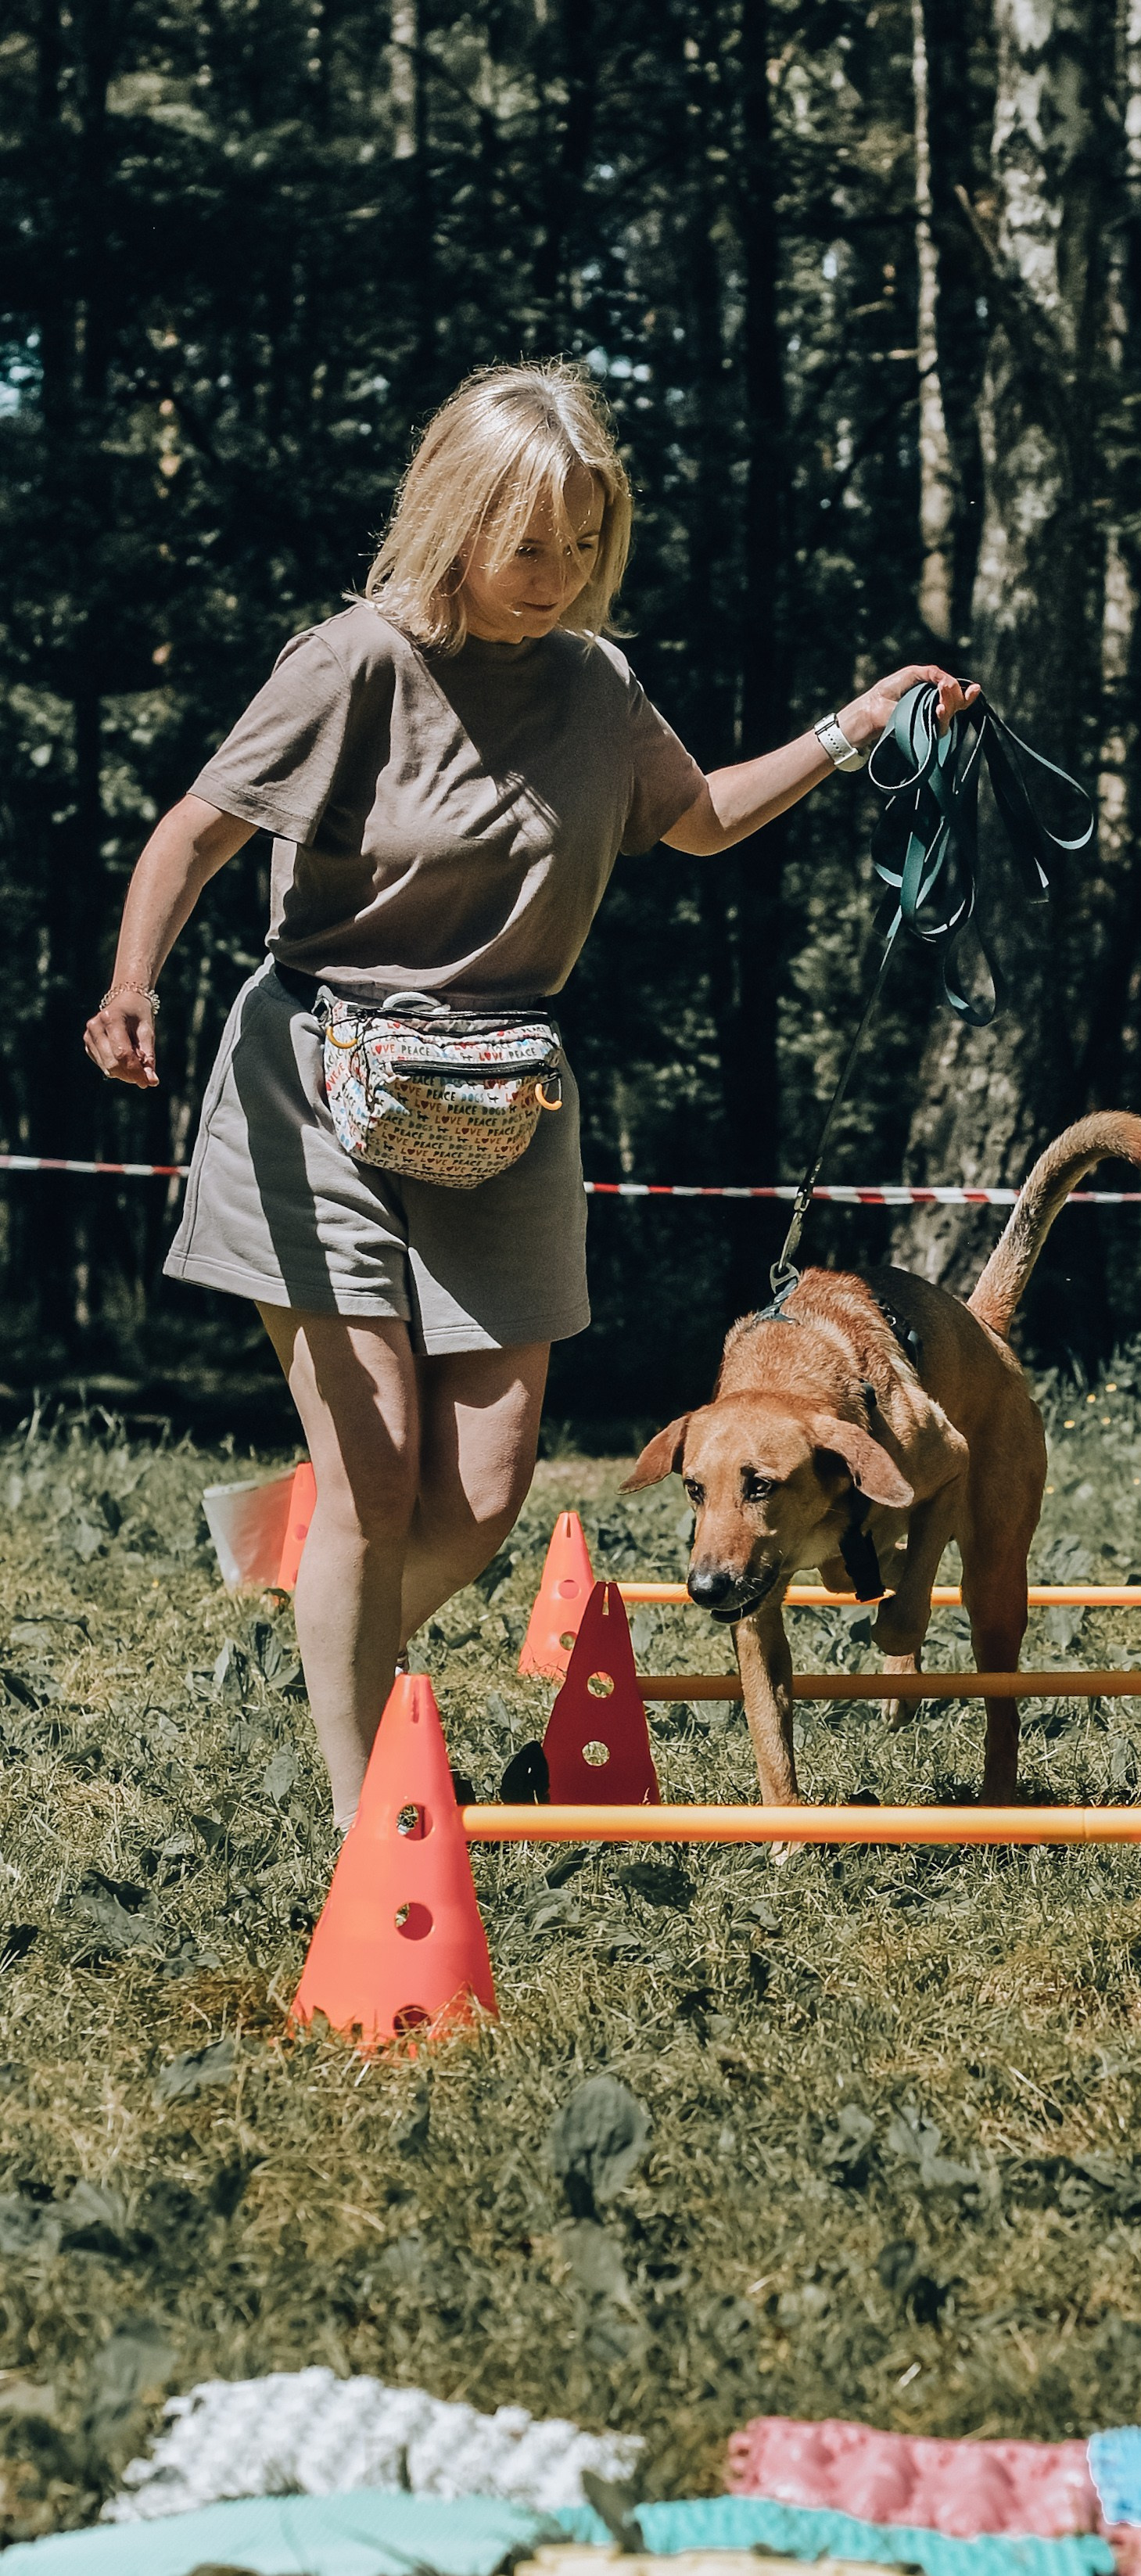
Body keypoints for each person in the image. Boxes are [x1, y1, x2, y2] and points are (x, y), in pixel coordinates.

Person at [84, 358, 977, 1830]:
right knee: (374, 1482)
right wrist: (131, 984)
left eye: (583, 545)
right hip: (318, 1089)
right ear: (454, 521)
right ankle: (369, 1826)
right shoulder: (354, 661)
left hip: (501, 1106)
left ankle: (328, 1609)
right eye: (527, 545)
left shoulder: (595, 683)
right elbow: (193, 831)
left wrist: (860, 724)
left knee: (484, 1494)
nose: (554, 577)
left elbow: (696, 821)